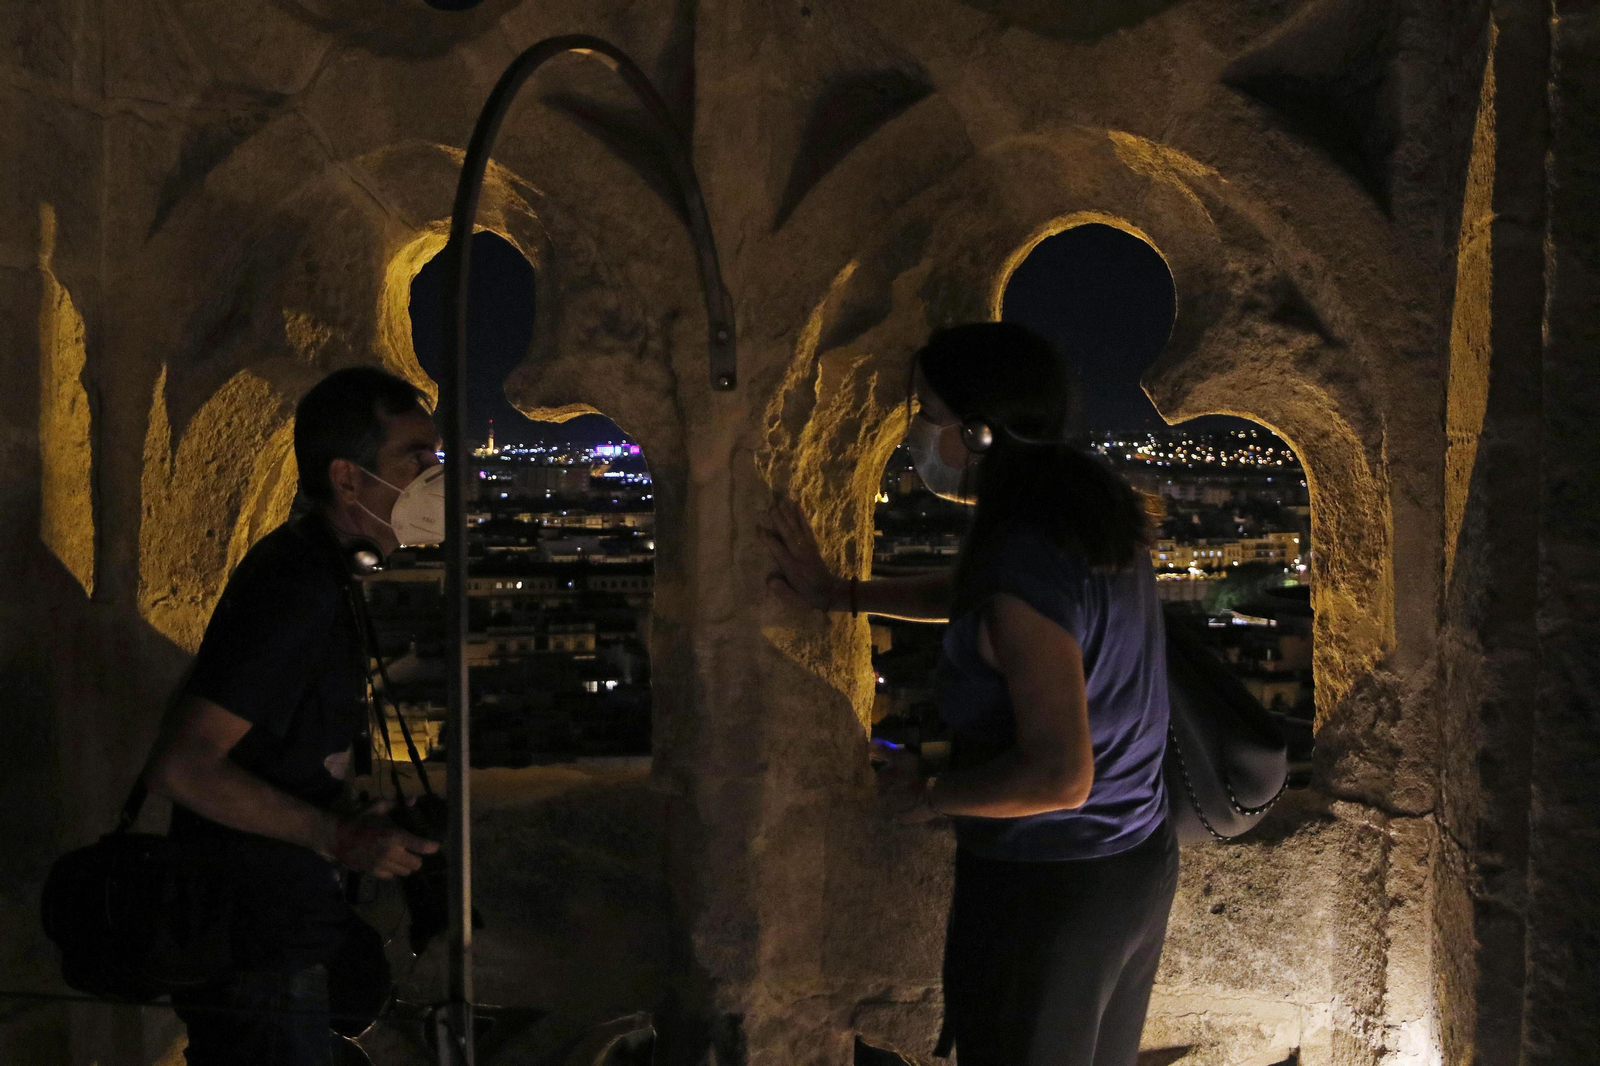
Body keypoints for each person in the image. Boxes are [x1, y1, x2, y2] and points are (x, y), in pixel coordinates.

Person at [763, 322, 1176, 1066]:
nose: (918, 434)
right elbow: (989, 600)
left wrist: (926, 792)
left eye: (927, 413)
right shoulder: (1083, 510)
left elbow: (1059, 777)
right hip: (1131, 870)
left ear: (981, 433)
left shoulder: (1023, 551)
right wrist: (843, 594)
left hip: (1049, 888)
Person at [145, 366, 445, 1065]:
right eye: (415, 456)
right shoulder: (298, 585)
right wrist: (336, 834)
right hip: (258, 950)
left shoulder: (320, 572)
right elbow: (182, 765)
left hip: (277, 940)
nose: (435, 474)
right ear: (348, 478)